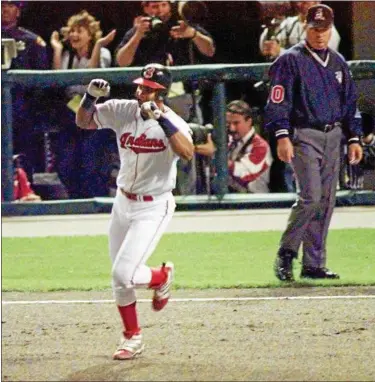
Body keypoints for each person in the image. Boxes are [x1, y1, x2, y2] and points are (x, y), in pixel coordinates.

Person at [75, 63, 194, 360]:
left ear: (162, 93)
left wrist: (163, 121)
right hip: (123, 202)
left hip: (154, 206)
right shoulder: (124, 110)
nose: (141, 92)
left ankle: (159, 276)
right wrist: (89, 98)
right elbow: (84, 122)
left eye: (149, 89)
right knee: (120, 278)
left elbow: (187, 153)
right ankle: (132, 336)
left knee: (123, 272)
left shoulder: (174, 121)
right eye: (141, 86)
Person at [264, 4, 363, 281]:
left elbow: (350, 104)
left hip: (334, 134)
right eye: (315, 29)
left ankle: (314, 263)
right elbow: (278, 101)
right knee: (310, 198)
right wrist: (282, 135)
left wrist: (353, 137)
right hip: (303, 134)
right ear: (306, 27)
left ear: (331, 30)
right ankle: (286, 253)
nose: (320, 35)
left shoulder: (338, 61)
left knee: (327, 200)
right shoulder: (289, 60)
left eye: (324, 29)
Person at [49, 10, 116, 199]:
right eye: (71, 31)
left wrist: (98, 46)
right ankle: (75, 200)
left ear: (90, 34)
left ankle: (96, 202)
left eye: (79, 31)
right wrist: (57, 49)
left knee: (92, 161)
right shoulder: (68, 56)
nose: (74, 35)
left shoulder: (102, 52)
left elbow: (94, 82)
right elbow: (57, 81)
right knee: (66, 162)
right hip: (71, 114)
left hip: (95, 114)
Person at [1, 0, 49, 172]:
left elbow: (41, 81)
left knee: (24, 162)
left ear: (18, 11)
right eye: (2, 5)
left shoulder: (32, 41)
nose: (5, 9)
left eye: (10, 5)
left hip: (22, 113)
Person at [259, 1, 340, 60]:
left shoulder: (327, 28)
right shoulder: (290, 23)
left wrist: (280, 52)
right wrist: (271, 25)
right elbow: (267, 46)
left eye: (305, 2)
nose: (300, 4)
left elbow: (317, 61)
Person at [226, 100, 273, 193]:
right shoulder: (230, 142)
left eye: (236, 123)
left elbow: (245, 175)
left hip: (256, 204)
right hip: (234, 201)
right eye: (228, 123)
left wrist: (215, 155)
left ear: (249, 121)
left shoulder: (260, 146)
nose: (231, 128)